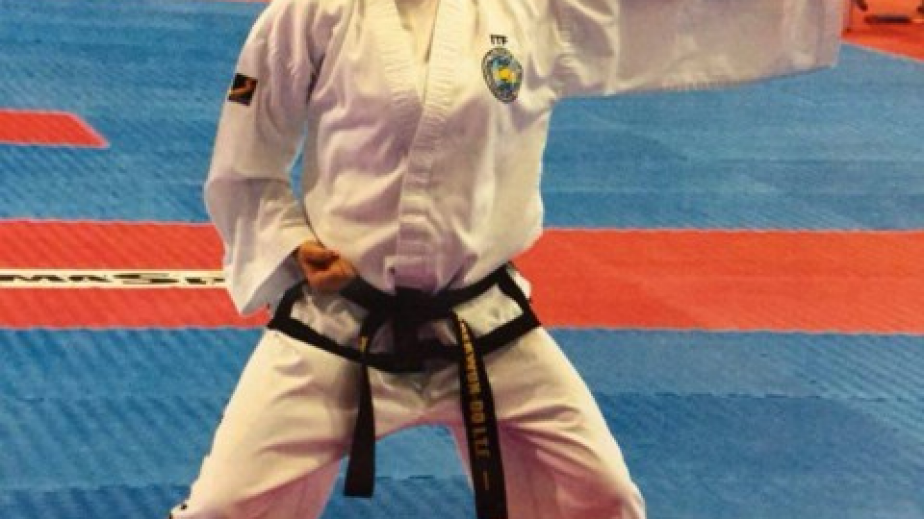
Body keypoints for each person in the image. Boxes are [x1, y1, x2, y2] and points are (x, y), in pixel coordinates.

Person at [170, 0, 842, 518]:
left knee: (603, 497)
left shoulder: (532, 11)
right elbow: (245, 159)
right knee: (221, 506)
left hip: (483, 323)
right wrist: (292, 243)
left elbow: (666, 21)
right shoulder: (313, 12)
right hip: (342, 325)